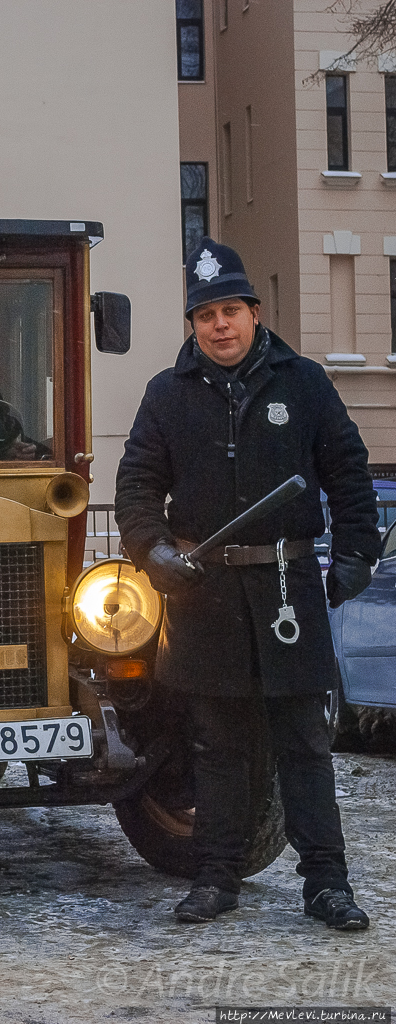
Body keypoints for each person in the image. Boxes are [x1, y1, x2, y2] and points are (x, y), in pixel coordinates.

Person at [114, 237, 379, 930]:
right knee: (218, 748)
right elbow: (137, 486)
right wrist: (151, 551)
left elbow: (349, 473)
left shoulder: (304, 383)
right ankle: (216, 878)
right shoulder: (166, 396)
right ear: (194, 326)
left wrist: (356, 554)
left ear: (254, 314)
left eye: (230, 310)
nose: (219, 326)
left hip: (287, 588)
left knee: (304, 746)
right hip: (205, 595)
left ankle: (327, 884)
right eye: (206, 316)